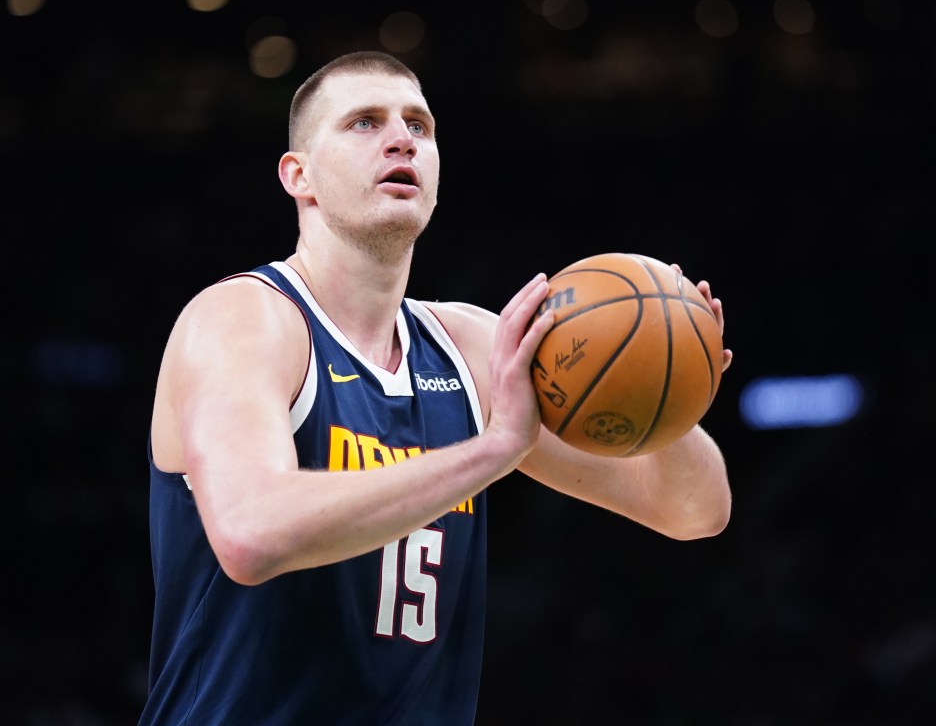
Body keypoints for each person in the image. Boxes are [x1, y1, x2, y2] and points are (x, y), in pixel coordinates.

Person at [139, 50, 734, 725]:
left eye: (419, 126)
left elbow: (694, 511)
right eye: (364, 122)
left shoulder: (471, 349)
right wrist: (495, 449)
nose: (401, 139)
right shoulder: (243, 320)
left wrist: (666, 382)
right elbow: (251, 533)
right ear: (298, 175)